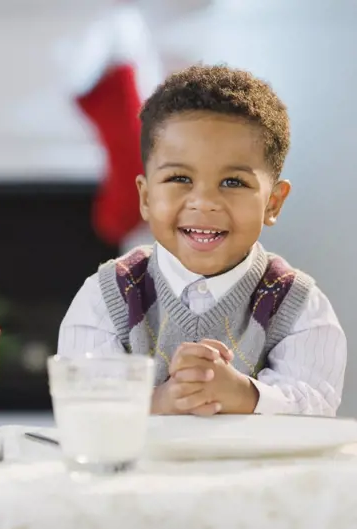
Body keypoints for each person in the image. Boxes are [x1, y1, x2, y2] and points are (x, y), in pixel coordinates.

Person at [58, 65, 346, 417]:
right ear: (146, 198)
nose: (204, 202)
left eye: (233, 182)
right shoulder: (108, 295)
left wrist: (244, 394)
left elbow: (316, 404)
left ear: (273, 203)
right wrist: (164, 400)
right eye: (180, 178)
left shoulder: (298, 305)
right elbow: (84, 406)